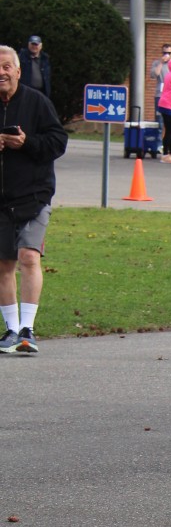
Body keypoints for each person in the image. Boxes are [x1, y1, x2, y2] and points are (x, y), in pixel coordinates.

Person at [0, 44, 68, 355]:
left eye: (6, 67)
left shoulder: (37, 102)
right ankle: (11, 330)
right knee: (4, 263)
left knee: (28, 256)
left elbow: (58, 142)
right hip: (2, 199)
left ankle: (27, 330)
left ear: (18, 70)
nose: (1, 73)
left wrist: (26, 142)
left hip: (34, 195)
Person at [149, 42, 171, 136]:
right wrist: (161, 63)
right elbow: (154, 75)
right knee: (159, 121)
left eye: (169, 53)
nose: (166, 55)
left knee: (170, 122)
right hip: (160, 95)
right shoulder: (157, 63)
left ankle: (168, 141)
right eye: (164, 53)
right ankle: (158, 142)